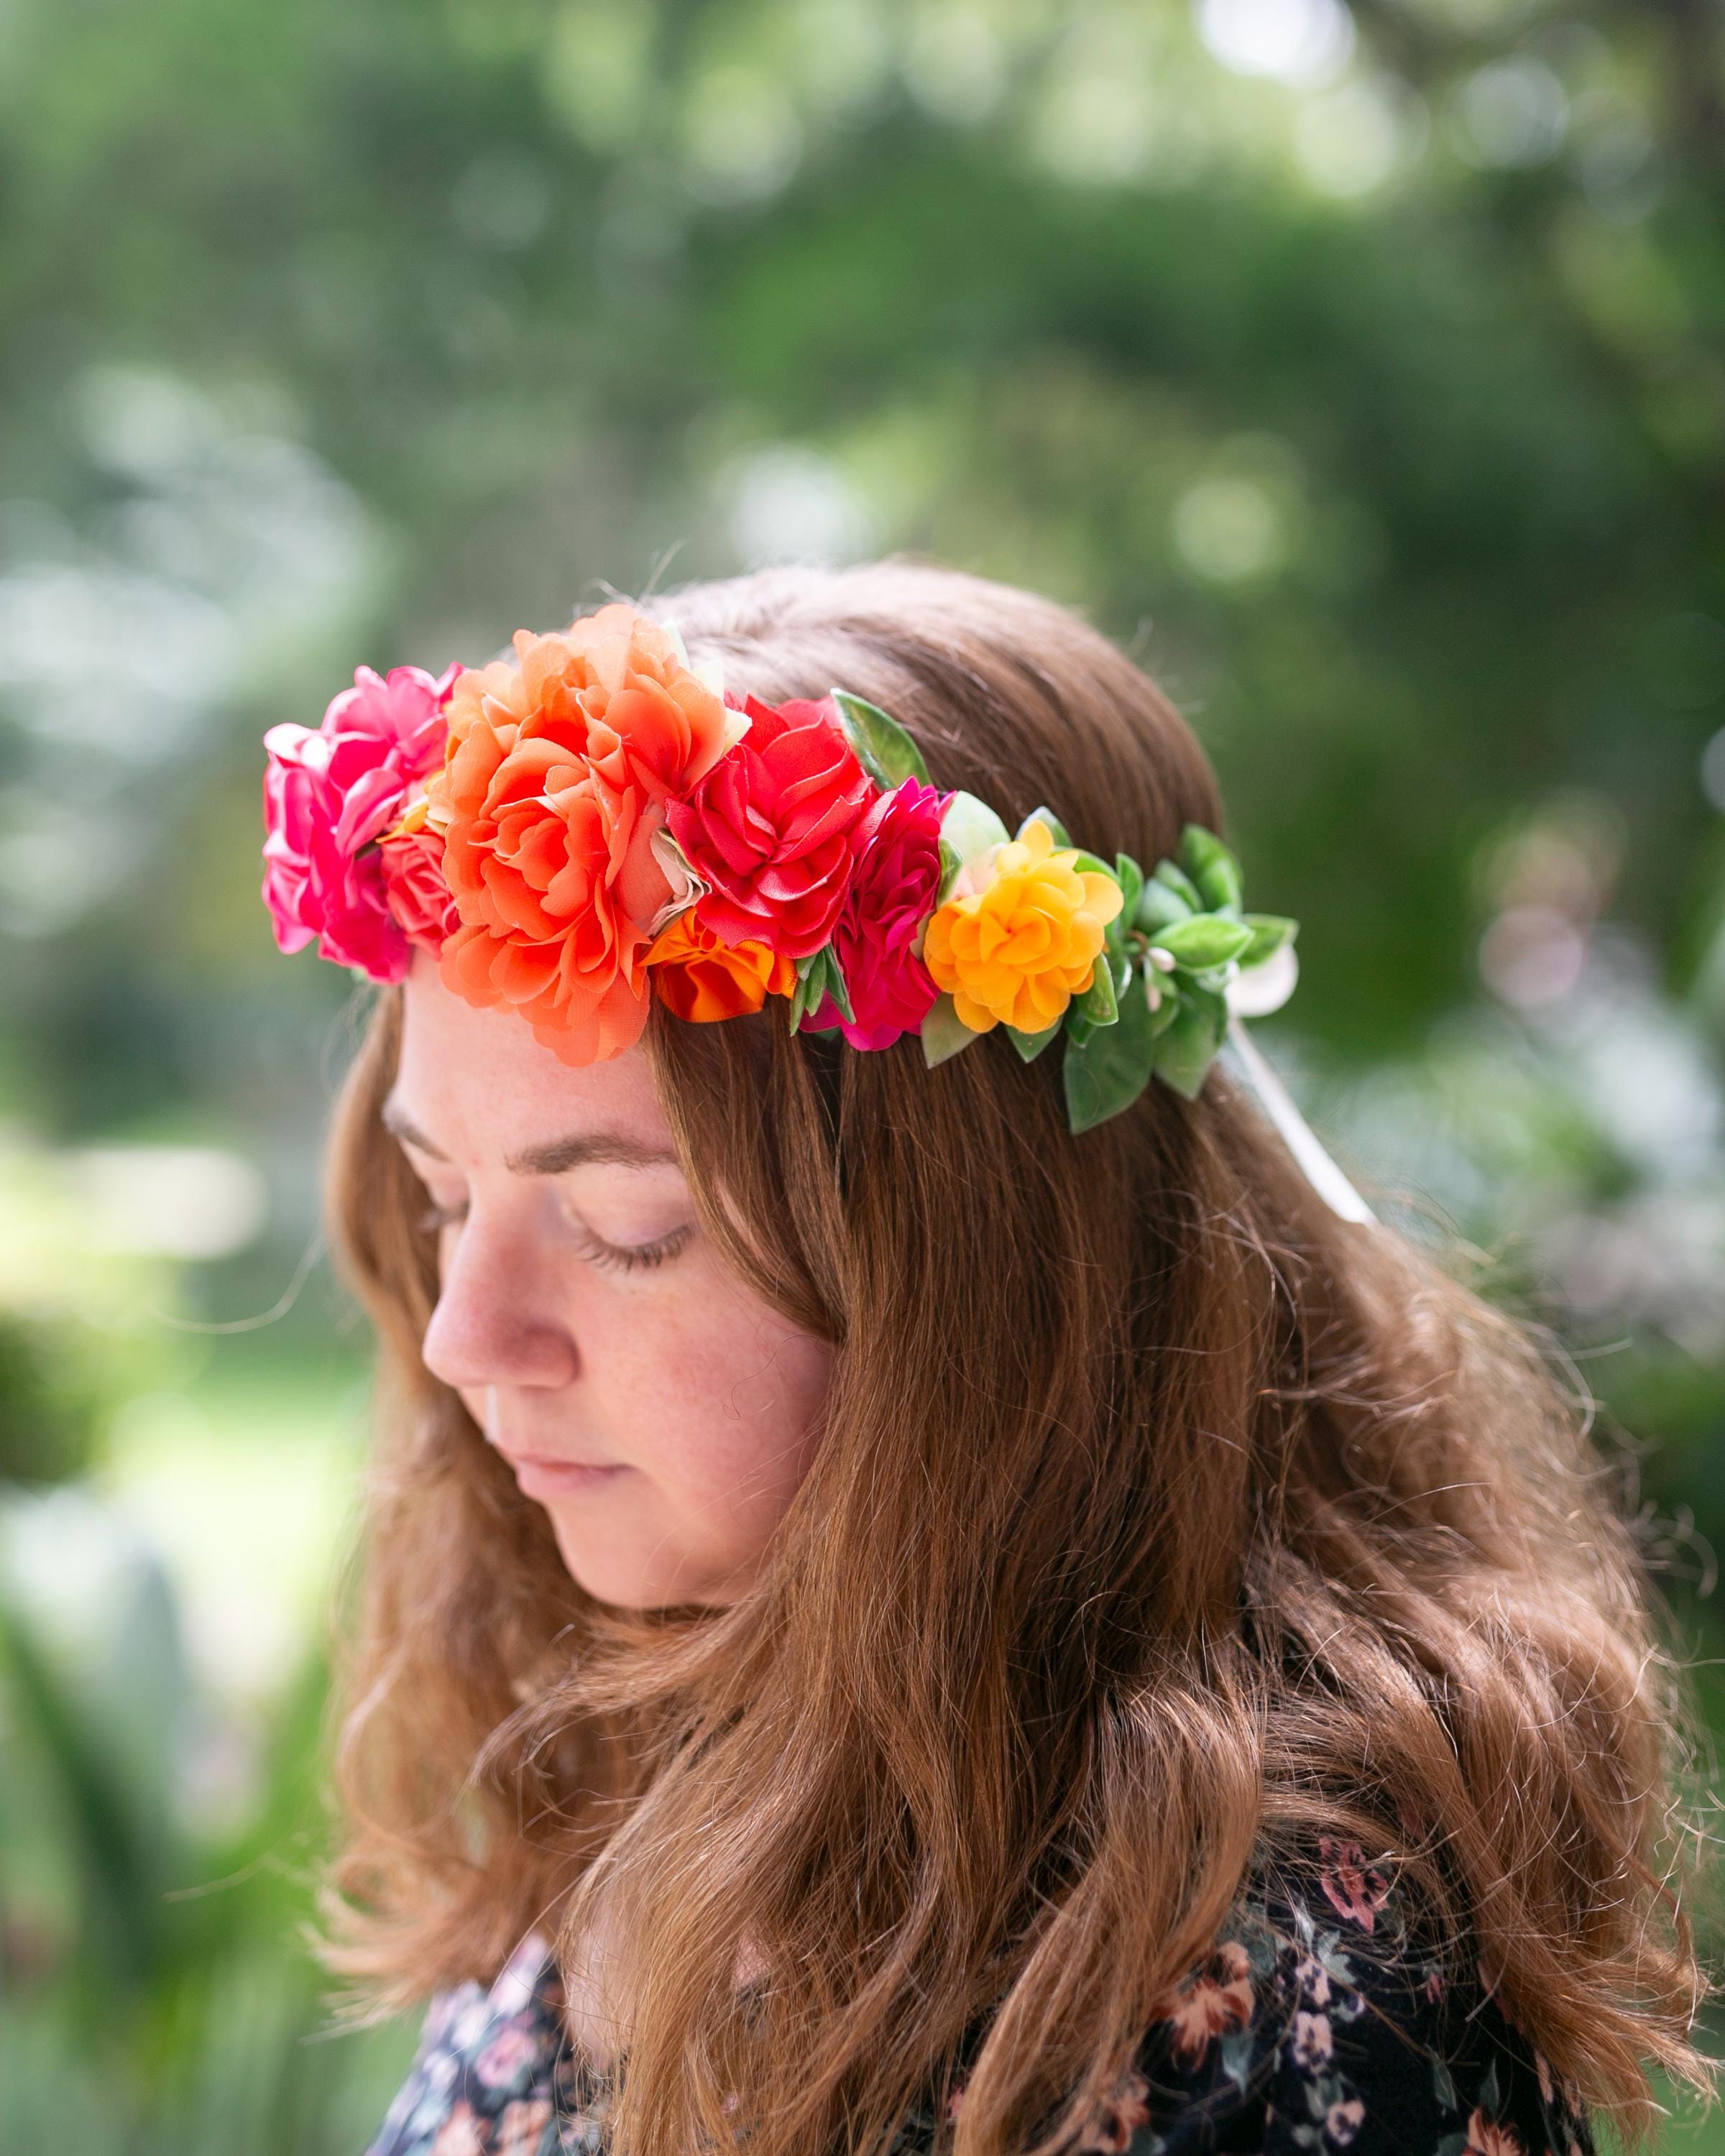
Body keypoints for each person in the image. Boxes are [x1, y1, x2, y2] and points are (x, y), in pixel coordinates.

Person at [259, 560, 1716, 2156]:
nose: (467, 1336)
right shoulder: (672, 1742)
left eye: (626, 1225)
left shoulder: (1259, 2027)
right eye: (441, 1196)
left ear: (992, 1269)